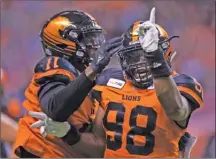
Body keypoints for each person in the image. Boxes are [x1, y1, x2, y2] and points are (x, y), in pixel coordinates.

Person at [29, 8, 202, 158]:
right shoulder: (108, 82)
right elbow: (99, 147)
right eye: (134, 56)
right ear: (124, 57)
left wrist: (154, 57)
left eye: (147, 54)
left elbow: (177, 110)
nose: (141, 63)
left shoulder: (182, 84)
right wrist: (67, 132)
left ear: (165, 55)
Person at [14, 10, 123, 158]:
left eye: (95, 38)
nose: (95, 45)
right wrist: (92, 71)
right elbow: (55, 110)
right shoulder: (55, 64)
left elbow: (99, 149)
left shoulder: (98, 81)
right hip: (41, 152)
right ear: (63, 43)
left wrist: (69, 133)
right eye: (87, 40)